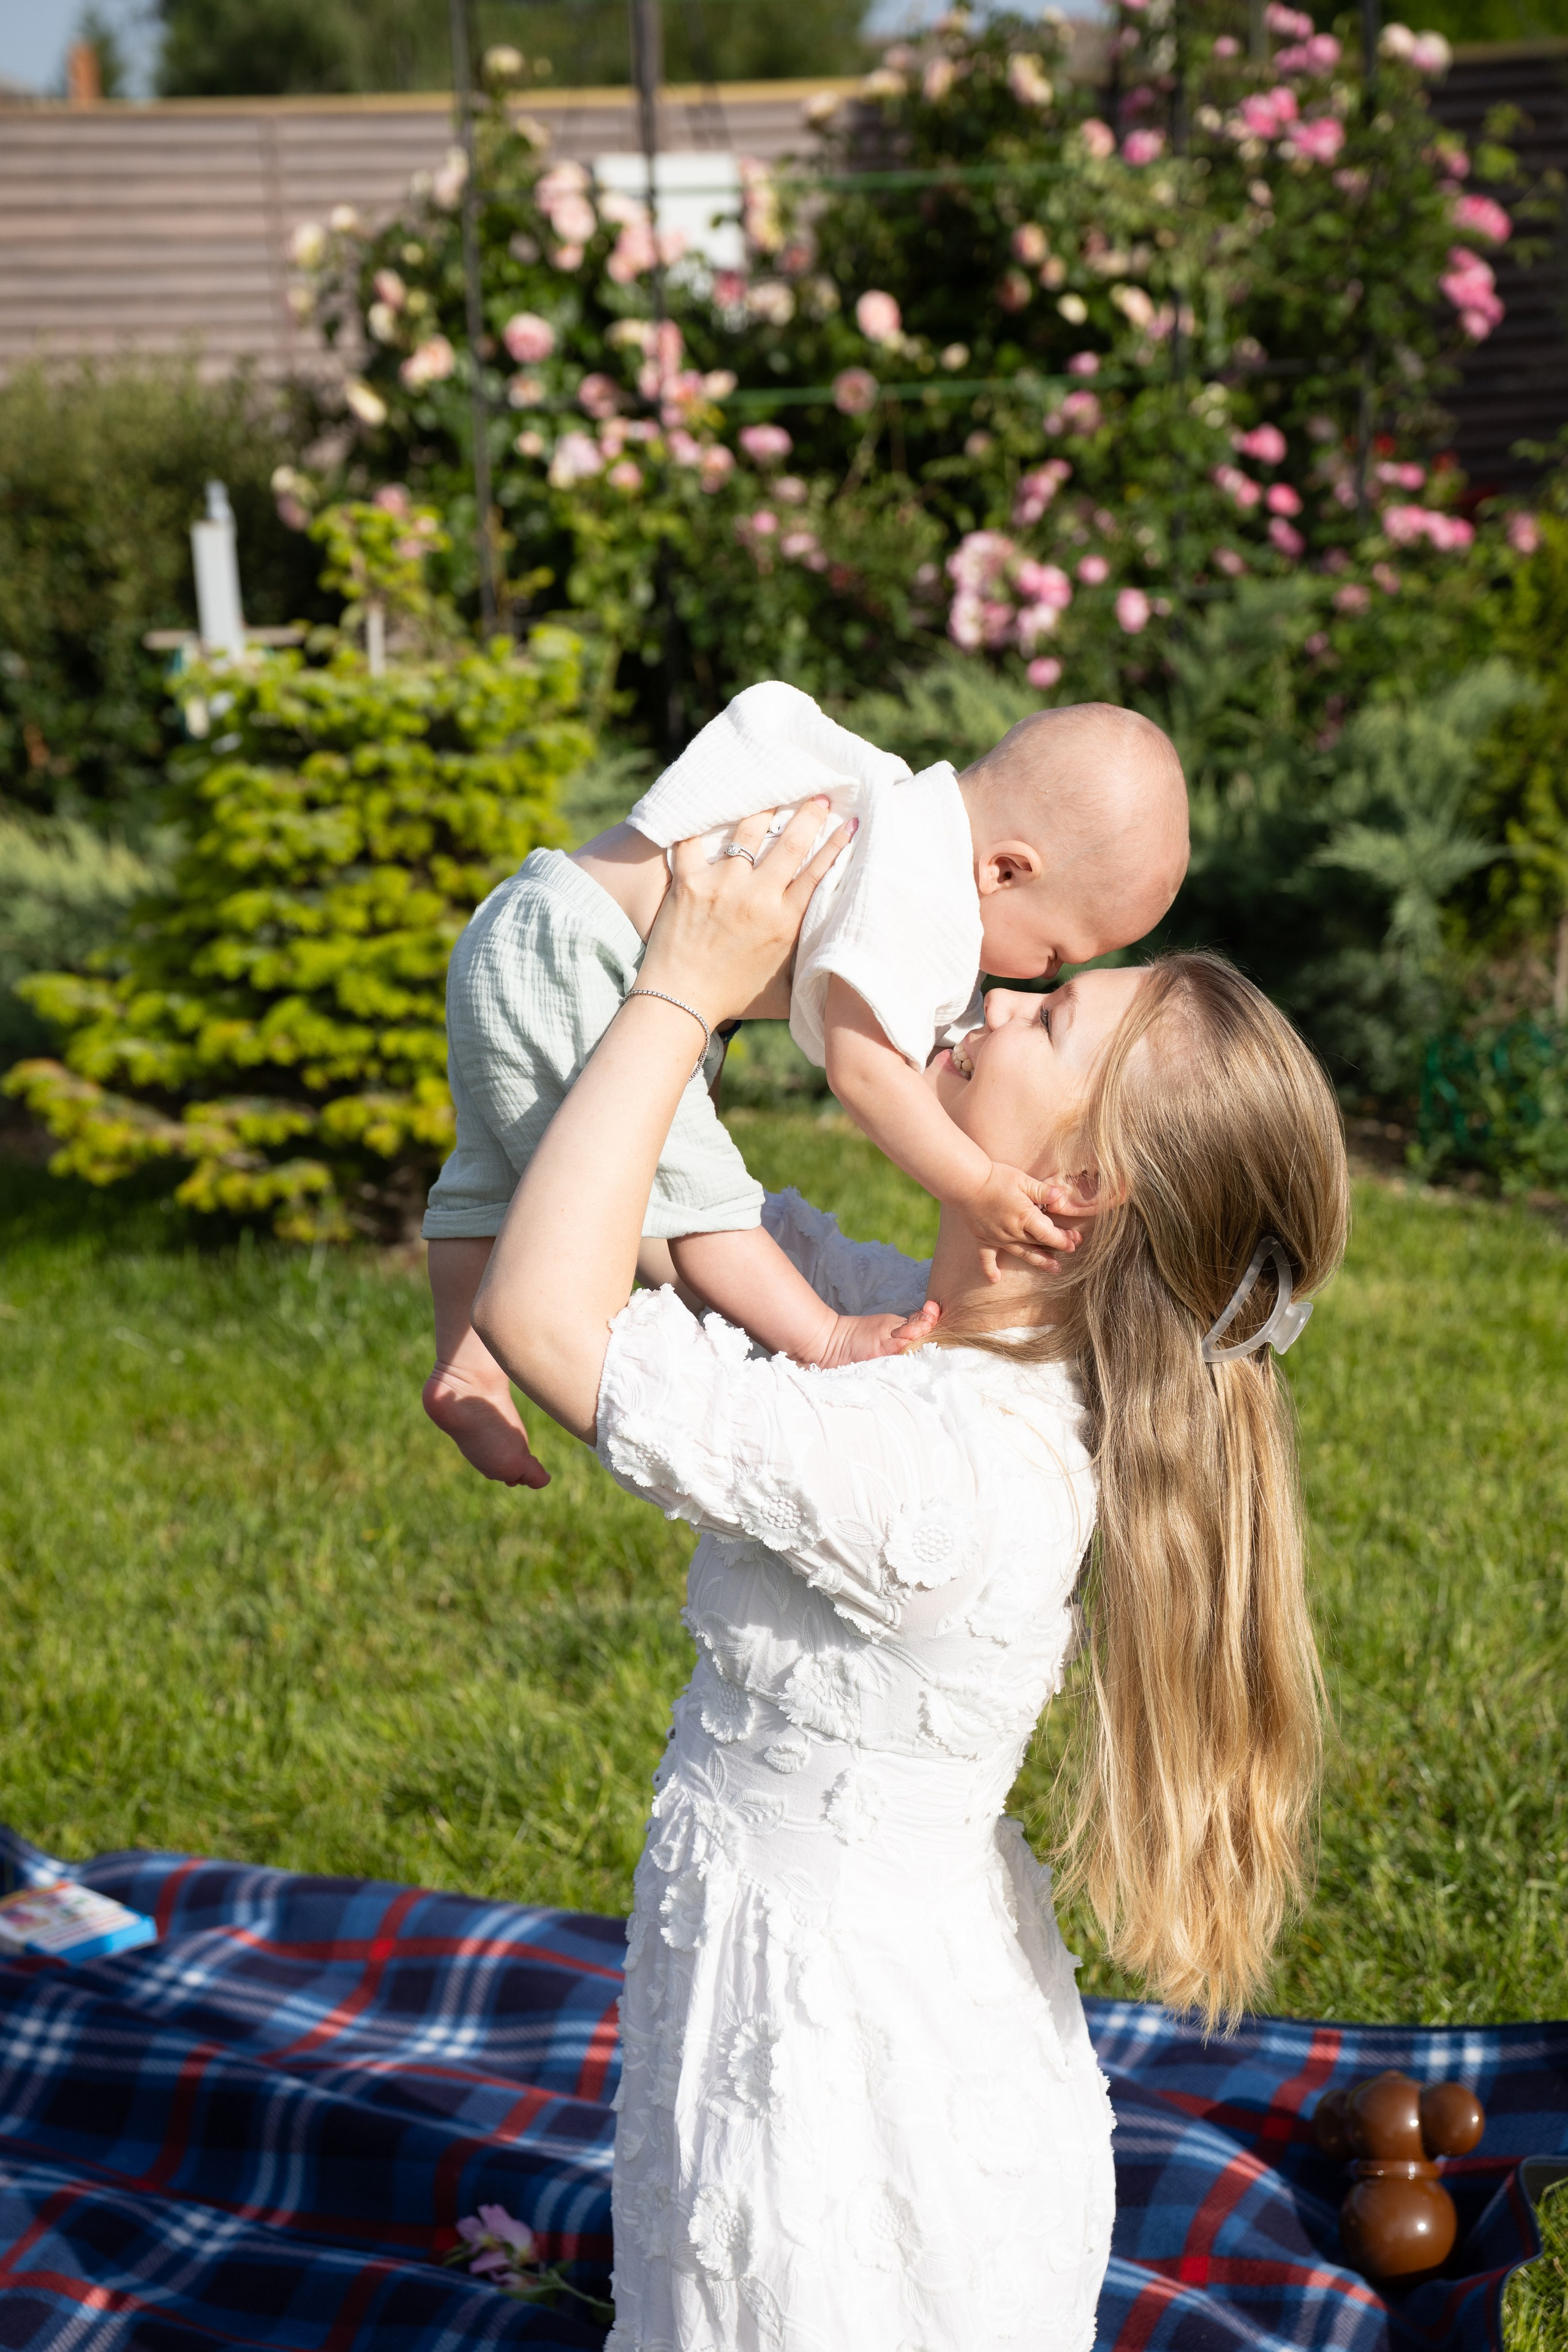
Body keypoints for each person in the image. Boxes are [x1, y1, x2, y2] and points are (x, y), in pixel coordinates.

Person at [471, 802, 1351, 2352]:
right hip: (819, 1969)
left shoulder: (954, 1480)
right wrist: (717, 968)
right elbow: (688, 1221)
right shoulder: (920, 1334)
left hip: (830, 2055)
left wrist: (678, 992)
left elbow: (556, 1323)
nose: (994, 994)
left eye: (1047, 1012)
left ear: (1072, 1196)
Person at [423, 685, 1189, 1490]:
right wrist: (978, 1182)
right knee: (695, 1196)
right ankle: (818, 1335)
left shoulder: (898, 813)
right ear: (1005, 870)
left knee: (498, 1178)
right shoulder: (922, 891)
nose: (1030, 979)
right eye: (1056, 955)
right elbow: (864, 1069)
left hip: (538, 916)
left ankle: (466, 1367)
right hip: (597, 963)